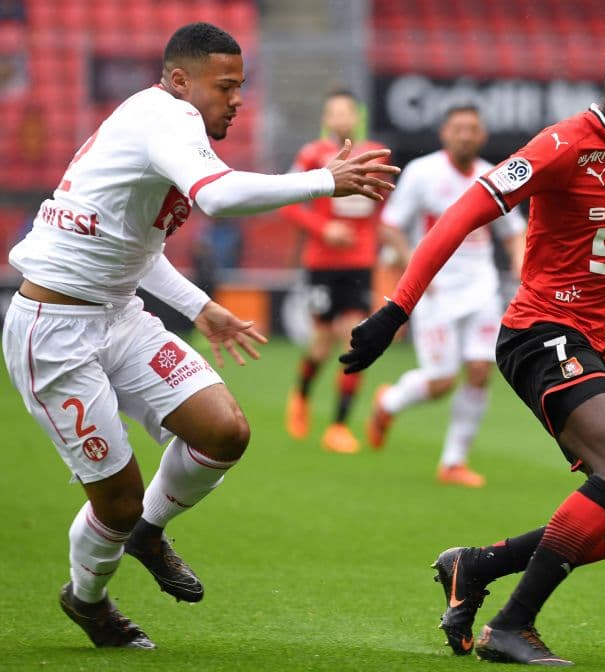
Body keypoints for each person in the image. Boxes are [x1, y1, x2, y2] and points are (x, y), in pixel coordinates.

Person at [2, 22, 398, 649]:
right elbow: (218, 198)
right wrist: (327, 180)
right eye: (225, 86)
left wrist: (201, 305)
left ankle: (148, 533)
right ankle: (88, 599)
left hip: (118, 313)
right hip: (54, 331)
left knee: (224, 431)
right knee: (118, 500)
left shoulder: (160, 122)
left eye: (241, 86)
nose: (236, 99)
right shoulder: (169, 121)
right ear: (181, 81)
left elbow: (132, 246)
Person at [341, 26, 605, 666]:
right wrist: (397, 308)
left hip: (602, 351)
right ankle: (510, 626)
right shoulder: (560, 146)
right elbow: (462, 213)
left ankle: (474, 566)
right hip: (541, 332)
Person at [368, 104, 526, 487]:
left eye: (473, 128)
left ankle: (453, 462)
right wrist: (414, 266)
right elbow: (390, 227)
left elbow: (514, 232)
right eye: (459, 128)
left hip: (481, 288)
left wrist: (522, 268)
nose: (466, 135)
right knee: (441, 382)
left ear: (482, 135)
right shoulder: (424, 174)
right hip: (435, 291)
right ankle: (388, 402)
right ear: (444, 133)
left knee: (478, 371)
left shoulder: (494, 176)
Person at [282, 89, 390, 454]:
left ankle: (339, 426)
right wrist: (323, 229)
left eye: (348, 111)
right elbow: (288, 202)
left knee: (351, 337)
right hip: (322, 263)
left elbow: (384, 204)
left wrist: (381, 240)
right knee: (322, 341)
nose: (342, 118)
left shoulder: (375, 153)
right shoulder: (312, 155)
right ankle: (300, 396)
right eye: (335, 112)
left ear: (355, 116)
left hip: (360, 263)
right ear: (327, 119)